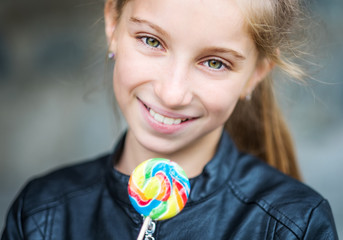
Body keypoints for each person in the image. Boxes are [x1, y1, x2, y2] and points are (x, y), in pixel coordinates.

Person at [1, 0, 338, 239]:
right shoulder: (42, 214)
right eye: (152, 41)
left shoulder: (292, 225)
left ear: (256, 74)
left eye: (215, 63)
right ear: (113, 25)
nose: (172, 94)